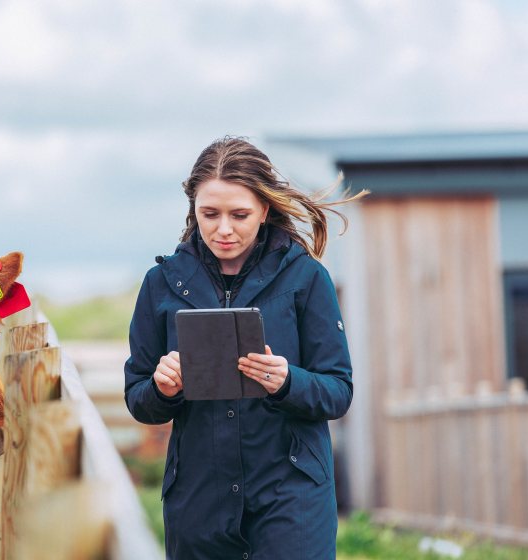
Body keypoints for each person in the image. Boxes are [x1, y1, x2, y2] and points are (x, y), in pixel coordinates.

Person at [124, 136, 367, 559]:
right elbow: (138, 398)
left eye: (240, 215)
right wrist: (162, 388)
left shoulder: (307, 278)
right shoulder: (160, 284)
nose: (224, 229)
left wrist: (288, 381)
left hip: (292, 497)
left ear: (265, 209)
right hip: (198, 500)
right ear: (193, 208)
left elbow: (338, 391)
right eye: (209, 214)